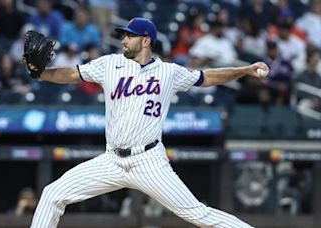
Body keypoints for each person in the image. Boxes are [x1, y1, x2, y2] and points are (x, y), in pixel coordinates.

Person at [27, 17, 268, 228]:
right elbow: (70, 74)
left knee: (197, 214)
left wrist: (244, 70)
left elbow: (207, 77)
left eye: (129, 36)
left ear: (146, 41)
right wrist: (41, 73)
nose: (123, 40)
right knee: (52, 194)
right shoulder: (109, 64)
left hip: (149, 162)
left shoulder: (168, 72)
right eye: (123, 35)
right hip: (111, 161)